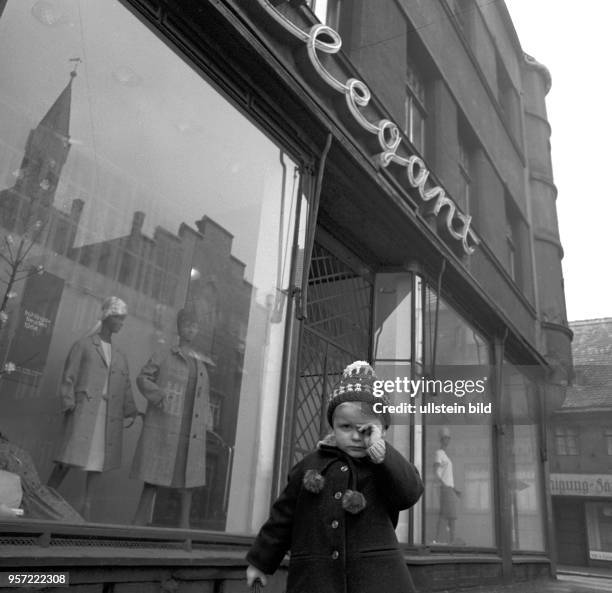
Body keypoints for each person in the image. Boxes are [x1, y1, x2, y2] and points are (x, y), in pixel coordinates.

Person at [245, 361, 424, 593]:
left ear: (383, 430)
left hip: (376, 579)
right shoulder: (308, 466)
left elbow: (409, 493)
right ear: (333, 427)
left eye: (366, 428)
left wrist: (385, 456)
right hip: (315, 579)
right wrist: (260, 562)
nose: (356, 436)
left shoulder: (383, 467)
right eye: (346, 426)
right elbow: (282, 519)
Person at [47, 296, 138, 521]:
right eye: (118, 317)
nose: (121, 323)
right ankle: (45, 497)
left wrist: (131, 409)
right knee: (68, 458)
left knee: (97, 461)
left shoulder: (120, 355)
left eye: (123, 319)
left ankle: (86, 508)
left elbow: (124, 385)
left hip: (106, 416)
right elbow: (69, 376)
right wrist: (68, 402)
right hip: (84, 410)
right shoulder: (85, 344)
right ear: (107, 317)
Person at [131, 308, 211, 529]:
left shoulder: (201, 365)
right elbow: (143, 377)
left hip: (190, 431)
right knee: (153, 478)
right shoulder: (165, 354)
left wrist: (207, 423)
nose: (191, 329)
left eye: (194, 325)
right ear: (179, 327)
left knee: (188, 483)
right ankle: (136, 525)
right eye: (187, 324)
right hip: (166, 425)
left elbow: (204, 398)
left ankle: (184, 530)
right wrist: (159, 395)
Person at [433, 426, 461, 544]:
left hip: (449, 489)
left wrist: (455, 490)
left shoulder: (445, 455)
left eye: (448, 438)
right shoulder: (439, 453)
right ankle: (440, 539)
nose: (447, 440)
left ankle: (450, 540)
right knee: (447, 515)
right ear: (441, 439)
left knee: (450, 515)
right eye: (445, 438)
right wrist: (445, 486)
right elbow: (436, 471)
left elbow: (447, 477)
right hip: (445, 489)